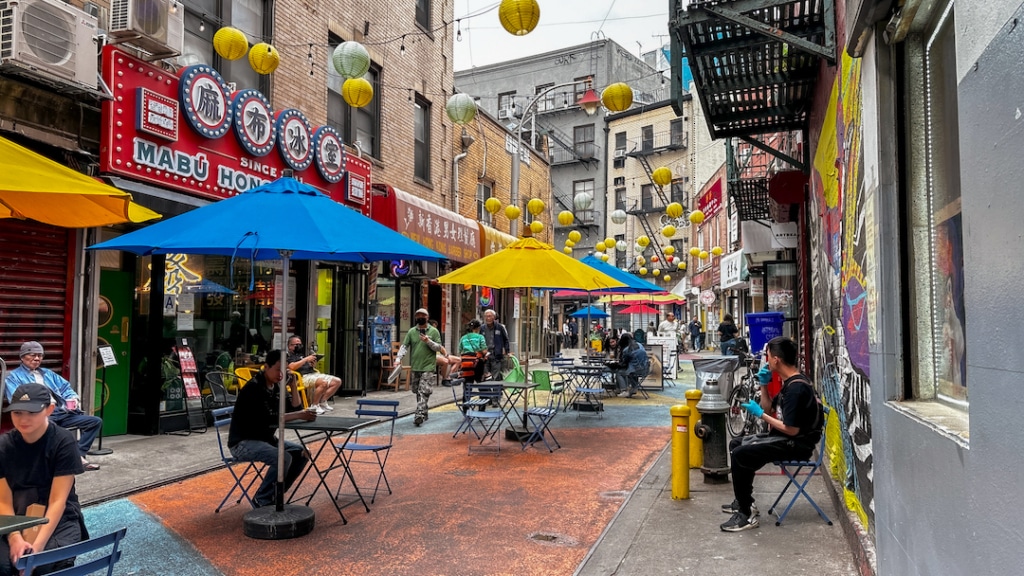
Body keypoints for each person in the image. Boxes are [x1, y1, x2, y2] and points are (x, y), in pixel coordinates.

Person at [721, 336, 824, 532]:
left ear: (776, 359)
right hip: (784, 438)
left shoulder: (797, 388)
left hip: (796, 444)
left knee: (742, 454)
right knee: (736, 445)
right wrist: (764, 385)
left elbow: (791, 429)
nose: (766, 360)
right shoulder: (789, 383)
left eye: (767, 356)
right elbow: (768, 409)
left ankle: (746, 515)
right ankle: (745, 501)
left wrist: (760, 415)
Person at [0, 383, 88, 575]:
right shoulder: (4, 446)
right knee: (4, 566)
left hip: (58, 520)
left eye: (32, 413)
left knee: (41, 565)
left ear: (49, 410)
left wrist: (36, 550)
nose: (24, 419)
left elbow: (58, 501)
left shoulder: (63, 441)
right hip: (15, 517)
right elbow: (3, 500)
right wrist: (14, 537)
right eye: (17, 413)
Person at [228, 349, 314, 509]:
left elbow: (294, 407)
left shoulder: (275, 387)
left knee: (302, 453)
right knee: (283, 458)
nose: (280, 374)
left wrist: (293, 385)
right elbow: (269, 418)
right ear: (266, 367)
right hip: (243, 443)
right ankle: (262, 499)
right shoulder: (253, 388)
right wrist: (299, 415)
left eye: (284, 370)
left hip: (265, 440)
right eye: (277, 370)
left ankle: (276, 494)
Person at [5, 342, 103, 471]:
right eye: (33, 355)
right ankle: (76, 459)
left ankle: (78, 454)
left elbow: (65, 388)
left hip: (60, 411)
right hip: (38, 414)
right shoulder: (13, 377)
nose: (37, 358)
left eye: (40, 355)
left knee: (95, 422)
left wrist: (72, 398)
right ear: (22, 357)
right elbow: (16, 399)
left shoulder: (47, 373)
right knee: (53, 430)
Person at [403, 308, 443, 426]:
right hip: (416, 366)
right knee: (417, 391)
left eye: (423, 315)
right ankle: (424, 412)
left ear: (427, 317)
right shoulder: (411, 331)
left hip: (428, 367)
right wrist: (398, 359)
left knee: (423, 391)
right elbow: (405, 346)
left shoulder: (434, 331)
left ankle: (419, 414)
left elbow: (439, 348)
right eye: (418, 315)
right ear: (415, 318)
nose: (420, 317)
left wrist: (428, 341)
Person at [286, 335, 341, 415]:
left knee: (337, 381)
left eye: (300, 344)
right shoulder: (288, 356)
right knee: (323, 383)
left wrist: (312, 364)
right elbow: (291, 367)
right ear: (290, 346)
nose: (299, 346)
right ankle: (314, 405)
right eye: (296, 344)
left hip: (313, 373)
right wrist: (306, 359)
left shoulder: (301, 355)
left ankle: (322, 401)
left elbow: (307, 365)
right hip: (302, 377)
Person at [614, 333, 648, 397]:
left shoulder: (626, 350)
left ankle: (623, 390)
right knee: (632, 370)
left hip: (635, 370)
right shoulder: (640, 345)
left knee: (619, 372)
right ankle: (634, 388)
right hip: (645, 369)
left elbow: (623, 363)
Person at [481, 309, 510, 381]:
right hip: (485, 355)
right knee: (486, 376)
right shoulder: (482, 328)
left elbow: (506, 340)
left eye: (490, 316)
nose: (488, 318)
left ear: (494, 317)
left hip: (496, 355)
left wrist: (507, 351)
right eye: (486, 316)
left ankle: (496, 391)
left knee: (496, 376)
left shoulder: (500, 327)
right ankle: (488, 391)